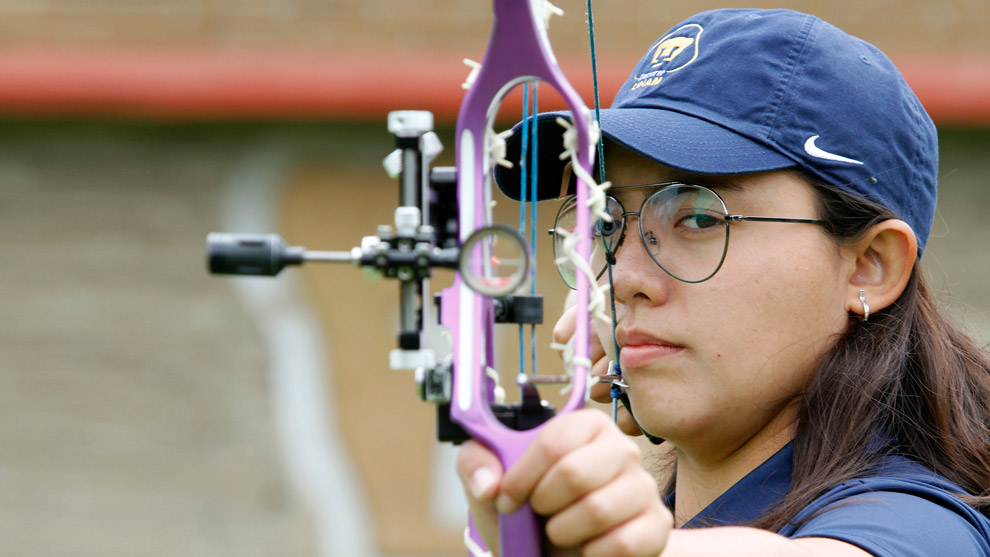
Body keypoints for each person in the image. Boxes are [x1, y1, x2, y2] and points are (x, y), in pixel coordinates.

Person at [457, 8, 990, 557]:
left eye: (699, 219)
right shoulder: (677, 515)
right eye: (607, 224)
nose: (622, 280)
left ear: (870, 266)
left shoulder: (922, 524)